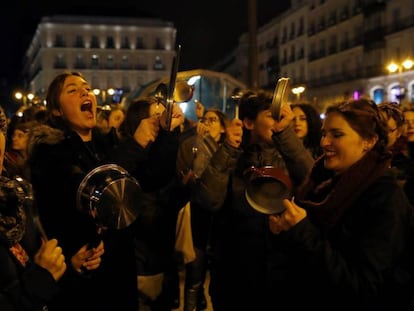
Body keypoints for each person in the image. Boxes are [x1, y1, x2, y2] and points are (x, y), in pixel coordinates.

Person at [26, 71, 178, 311]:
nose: (85, 92)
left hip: (120, 267)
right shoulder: (51, 152)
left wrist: (168, 132)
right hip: (82, 276)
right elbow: (92, 187)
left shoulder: (106, 143)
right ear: (57, 111)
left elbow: (151, 178)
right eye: (72, 90)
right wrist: (135, 144)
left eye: (86, 87)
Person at [268, 98, 414, 309]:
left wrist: (302, 230)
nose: (324, 142)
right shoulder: (320, 183)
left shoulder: (385, 198)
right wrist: (284, 232)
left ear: (369, 141)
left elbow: (363, 287)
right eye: (324, 134)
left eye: (337, 135)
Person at [187, 89, 313, 310]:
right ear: (248, 122)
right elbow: (209, 200)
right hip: (234, 273)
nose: (279, 120)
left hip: (280, 272)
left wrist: (286, 135)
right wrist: (227, 150)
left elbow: (312, 181)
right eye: (270, 115)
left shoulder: (288, 153)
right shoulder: (230, 154)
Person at [0, 105, 104, 311]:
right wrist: (41, 280)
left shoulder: (14, 200)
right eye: (72, 90)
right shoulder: (46, 163)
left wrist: (67, 267)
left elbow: (35, 272)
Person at [118, 95, 186, 311]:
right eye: (157, 116)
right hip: (142, 266)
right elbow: (154, 177)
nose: (164, 119)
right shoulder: (135, 159)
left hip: (162, 259)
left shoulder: (164, 150)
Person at [176, 108, 229, 311]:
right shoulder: (194, 145)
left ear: (224, 128)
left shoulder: (228, 149)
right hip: (198, 217)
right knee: (195, 274)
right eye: (205, 119)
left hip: (219, 221)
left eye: (213, 120)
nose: (207, 123)